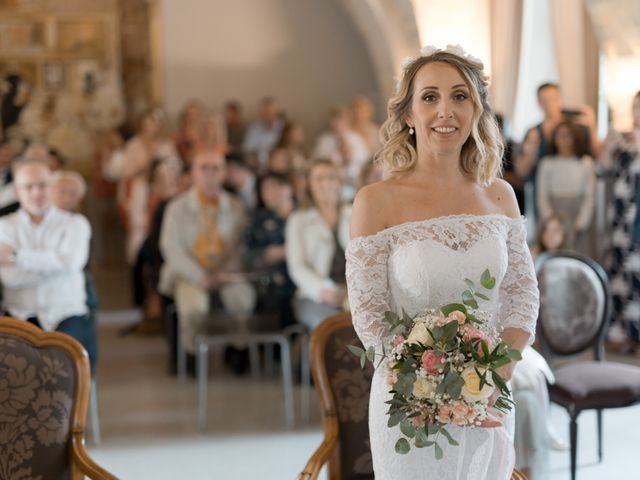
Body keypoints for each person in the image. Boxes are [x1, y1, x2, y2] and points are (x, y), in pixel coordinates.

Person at [345, 45, 539, 479]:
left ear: (476, 110)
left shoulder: (500, 195)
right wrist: (428, 388)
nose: (445, 111)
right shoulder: (375, 202)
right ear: (409, 115)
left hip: (489, 397)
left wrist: (495, 373)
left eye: (460, 96)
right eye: (429, 97)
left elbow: (523, 294)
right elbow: (370, 316)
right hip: (411, 408)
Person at [158, 149, 255, 371]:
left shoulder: (236, 206)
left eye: (216, 168)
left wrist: (225, 274)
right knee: (193, 308)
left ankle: (237, 348)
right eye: (203, 168)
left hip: (227, 273)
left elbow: (241, 246)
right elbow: (171, 248)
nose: (210, 174)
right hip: (190, 274)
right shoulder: (176, 207)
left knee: (242, 300)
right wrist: (199, 276)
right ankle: (192, 354)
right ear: (193, 173)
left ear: (223, 173)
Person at [0, 160, 96, 372]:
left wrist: (17, 255)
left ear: (52, 187)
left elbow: (71, 263)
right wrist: (55, 265)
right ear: (17, 191)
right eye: (28, 186)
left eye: (42, 185)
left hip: (67, 313)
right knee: (14, 373)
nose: (36, 193)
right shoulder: (3, 227)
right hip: (20, 315)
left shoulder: (75, 223)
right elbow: (10, 278)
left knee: (60, 367)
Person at [285, 158, 351, 331]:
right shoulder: (298, 221)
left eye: (331, 178)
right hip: (313, 296)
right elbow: (297, 267)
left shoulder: (352, 214)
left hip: (353, 293)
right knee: (331, 326)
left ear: (340, 182)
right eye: (319, 179)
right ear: (310, 185)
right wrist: (323, 290)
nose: (326, 184)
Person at [536, 121, 596, 257]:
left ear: (576, 138)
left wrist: (579, 225)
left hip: (577, 217)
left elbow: (589, 197)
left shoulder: (586, 163)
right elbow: (542, 196)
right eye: (559, 135)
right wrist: (551, 223)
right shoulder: (547, 163)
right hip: (553, 216)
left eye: (567, 135)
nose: (563, 140)